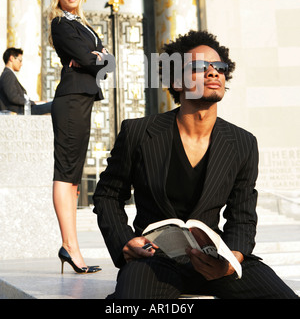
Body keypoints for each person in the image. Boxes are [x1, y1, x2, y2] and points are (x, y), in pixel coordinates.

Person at [93, 30, 298, 299]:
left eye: (219, 67)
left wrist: (230, 260)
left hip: (215, 261)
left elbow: (243, 216)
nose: (213, 73)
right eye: (201, 67)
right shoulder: (138, 133)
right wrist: (125, 242)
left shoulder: (243, 142)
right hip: (155, 261)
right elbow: (107, 195)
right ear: (177, 82)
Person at [49, 0, 113, 274]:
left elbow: (107, 63)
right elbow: (91, 62)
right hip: (71, 99)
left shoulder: (84, 25)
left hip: (82, 98)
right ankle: (70, 247)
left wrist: (97, 56)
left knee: (73, 176)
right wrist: (94, 57)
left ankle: (72, 247)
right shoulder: (60, 24)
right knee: (66, 171)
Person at [0, 47, 52, 115]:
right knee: (54, 105)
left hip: (24, 109)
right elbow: (13, 97)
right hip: (20, 111)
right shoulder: (8, 74)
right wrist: (33, 103)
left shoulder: (8, 74)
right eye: (20, 60)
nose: (21, 64)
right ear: (12, 58)